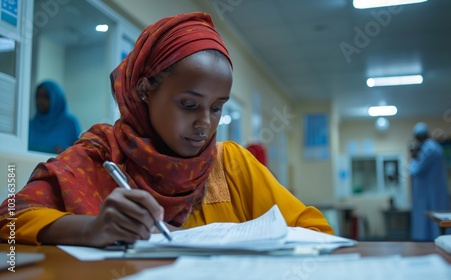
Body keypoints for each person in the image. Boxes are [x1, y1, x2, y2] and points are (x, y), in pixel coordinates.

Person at [0, 12, 333, 247]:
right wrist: (91, 229)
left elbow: (316, 232)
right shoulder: (99, 155)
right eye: (189, 105)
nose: (205, 123)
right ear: (145, 90)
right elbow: (10, 219)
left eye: (217, 108)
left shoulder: (231, 165)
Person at [409, 122, 450, 241]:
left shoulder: (429, 148)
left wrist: (413, 158)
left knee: (429, 226)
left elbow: (416, 170)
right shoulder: (433, 147)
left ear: (421, 136)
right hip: (432, 192)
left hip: (428, 194)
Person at [28, 80, 81, 154]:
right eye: (38, 96)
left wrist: (64, 154)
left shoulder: (70, 124)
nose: (40, 101)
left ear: (56, 98)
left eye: (46, 97)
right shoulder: (29, 125)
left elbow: (79, 155)